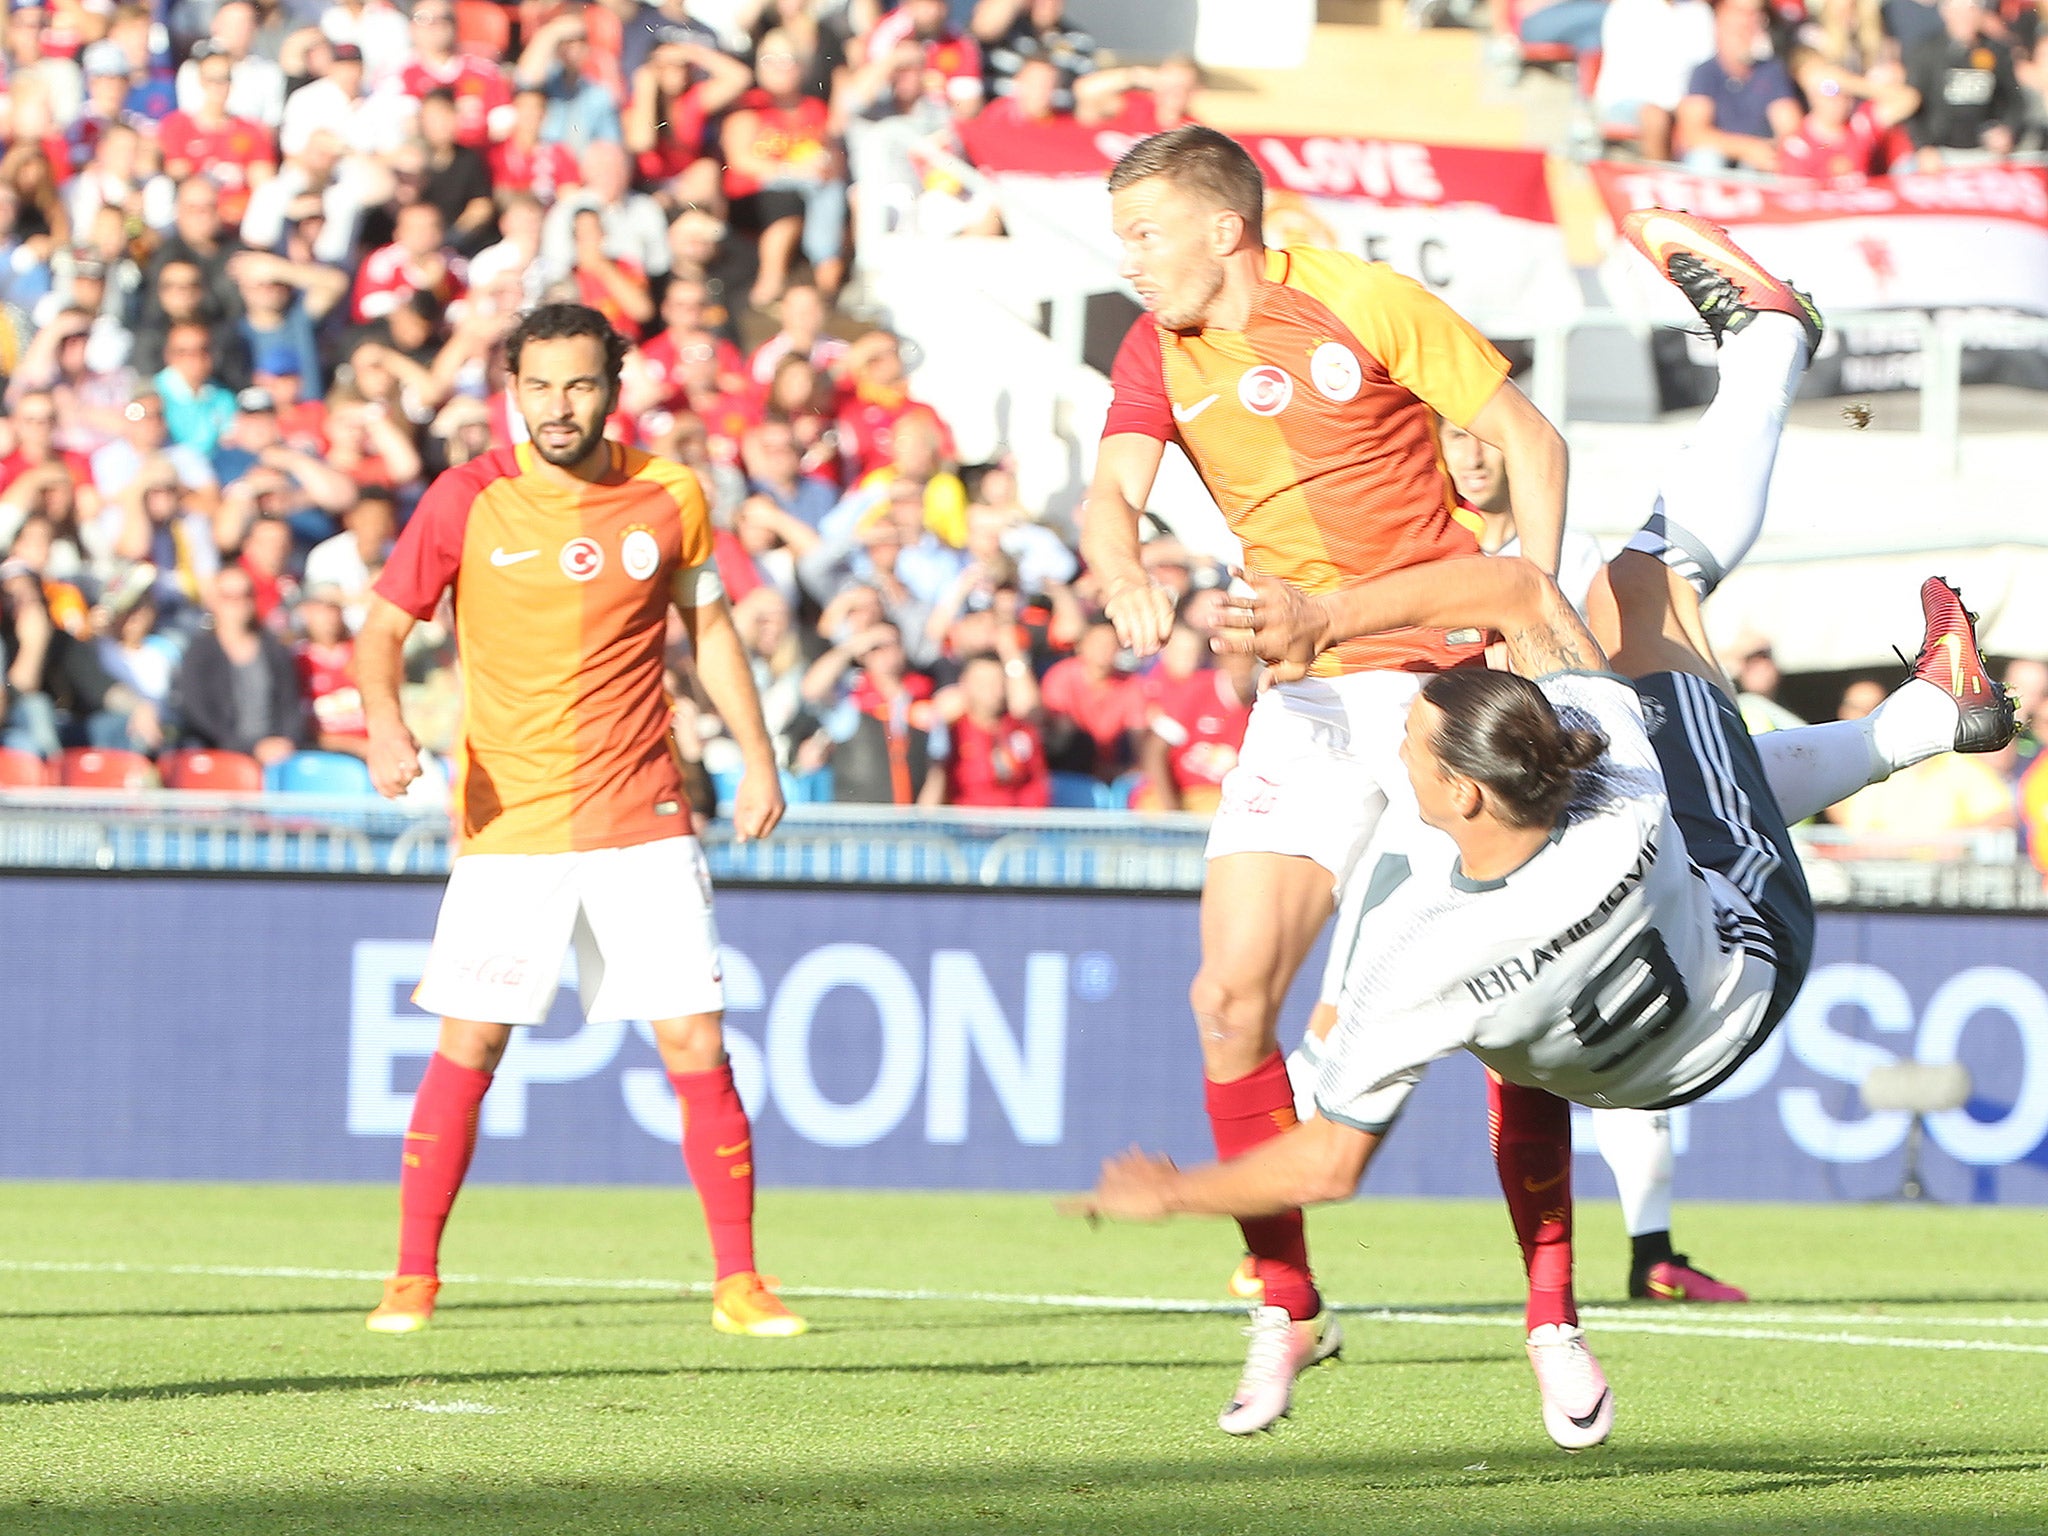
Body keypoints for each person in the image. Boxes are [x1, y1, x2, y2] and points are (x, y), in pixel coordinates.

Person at [1082, 214, 2017, 1453]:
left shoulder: (1426, 949)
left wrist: (1167, 1195)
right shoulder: (1608, 788)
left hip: (1650, 1026)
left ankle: (1889, 647)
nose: (1406, 766)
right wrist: (1346, 622)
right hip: (1726, 974)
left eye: (1416, 757)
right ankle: (1776, 377)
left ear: (1467, 796)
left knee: (1646, 634)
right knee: (1637, 595)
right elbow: (1527, 602)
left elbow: (1319, 1161)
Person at [1078, 124, 1567, 1436]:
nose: (1125, 261)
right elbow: (1111, 494)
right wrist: (1122, 568)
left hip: (1439, 689)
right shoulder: (1153, 350)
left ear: (1222, 229)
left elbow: (1524, 432)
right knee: (1229, 1001)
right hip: (1305, 698)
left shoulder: (1360, 299)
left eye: (1143, 235)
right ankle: (1288, 1302)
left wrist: (1541, 619)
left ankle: (1553, 1312)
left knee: (1509, 1006)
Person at [354, 302, 804, 1341]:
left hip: (642, 811)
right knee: (470, 1043)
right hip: (510, 823)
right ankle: (413, 1276)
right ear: (514, 390)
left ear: (615, 385)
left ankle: (738, 1281)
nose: (560, 407)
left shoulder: (668, 494)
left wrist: (757, 756)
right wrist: (382, 723)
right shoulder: (467, 499)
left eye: (581, 384)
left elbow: (709, 626)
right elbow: (381, 630)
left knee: (695, 1041)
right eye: (540, 386)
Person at [1675, 0, 1802, 171]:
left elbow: (1790, 130)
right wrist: (1747, 148)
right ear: (1719, 18)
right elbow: (1693, 134)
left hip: (1755, 164)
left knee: (1756, 165)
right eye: (1740, 12)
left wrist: (1764, 151)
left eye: (1754, 13)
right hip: (1719, 161)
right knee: (1706, 158)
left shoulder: (1772, 72)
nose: (1747, 21)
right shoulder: (1704, 73)